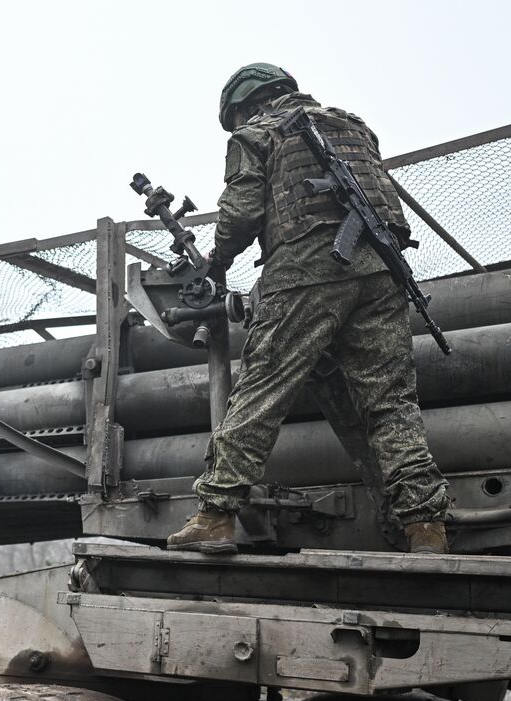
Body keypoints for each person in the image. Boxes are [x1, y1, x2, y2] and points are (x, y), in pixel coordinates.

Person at [167, 63, 449, 555]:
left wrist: (217, 262)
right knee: (391, 403)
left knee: (262, 390)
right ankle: (425, 527)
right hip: (382, 270)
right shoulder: (353, 125)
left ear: (247, 107)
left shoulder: (256, 132)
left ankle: (216, 515)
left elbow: (241, 213)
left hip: (307, 266)